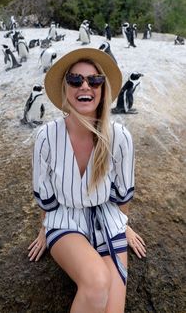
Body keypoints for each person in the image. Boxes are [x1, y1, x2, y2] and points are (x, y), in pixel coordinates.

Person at [28, 48, 146, 312]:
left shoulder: (120, 137)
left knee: (112, 309)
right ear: (65, 87)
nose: (85, 86)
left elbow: (122, 195)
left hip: (108, 219)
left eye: (94, 81)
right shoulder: (46, 137)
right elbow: (45, 197)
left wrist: (123, 225)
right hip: (64, 218)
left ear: (102, 89)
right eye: (75, 79)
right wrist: (44, 229)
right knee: (96, 284)